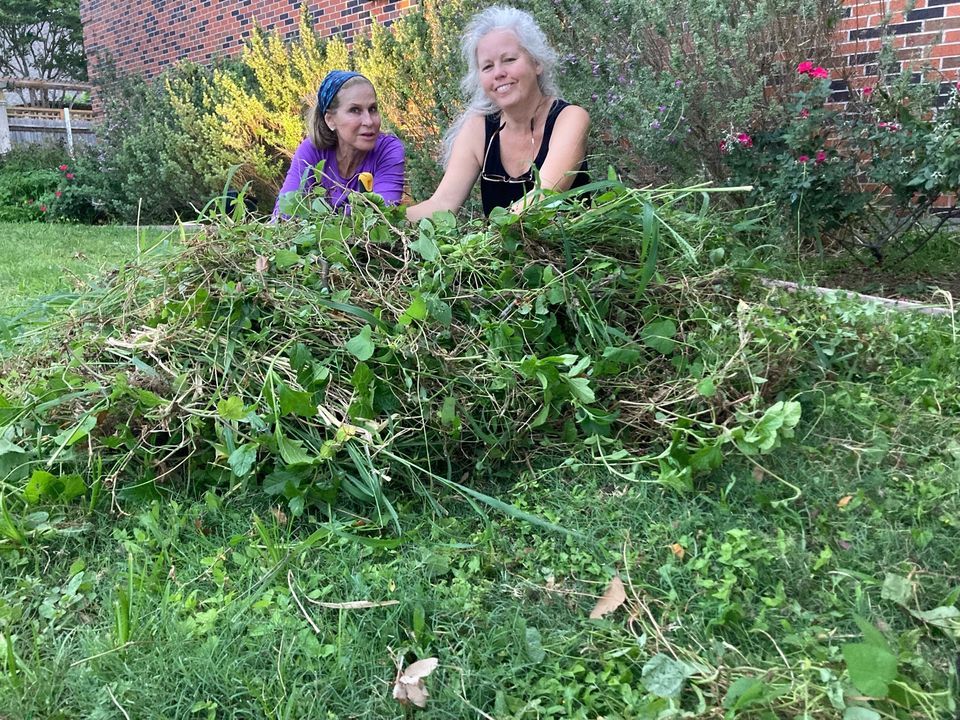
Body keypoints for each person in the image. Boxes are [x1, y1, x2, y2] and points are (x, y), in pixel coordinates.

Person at [406, 6, 589, 222]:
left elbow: (544, 196)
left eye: (509, 59)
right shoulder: (479, 128)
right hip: (505, 253)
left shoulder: (569, 118)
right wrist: (385, 219)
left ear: (537, 62)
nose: (499, 73)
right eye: (487, 67)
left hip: (571, 255)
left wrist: (485, 237)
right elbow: (442, 203)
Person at [274, 70, 405, 216]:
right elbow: (284, 213)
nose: (369, 121)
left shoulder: (387, 151)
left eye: (372, 109)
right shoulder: (312, 151)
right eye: (355, 110)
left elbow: (382, 216)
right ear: (330, 119)